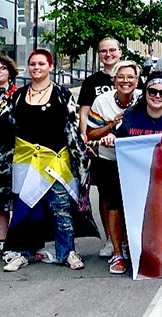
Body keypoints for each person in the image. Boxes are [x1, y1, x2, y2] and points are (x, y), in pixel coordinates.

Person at [3, 49, 94, 272]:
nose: (36, 68)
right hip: (25, 161)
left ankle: (67, 252)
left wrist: (80, 158)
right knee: (25, 208)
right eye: (32, 64)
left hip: (56, 160)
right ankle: (23, 253)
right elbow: (8, 127)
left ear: (50, 67)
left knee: (61, 207)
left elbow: (72, 129)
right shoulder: (17, 95)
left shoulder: (62, 94)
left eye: (41, 64)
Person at [101, 71, 162, 279]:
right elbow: (118, 136)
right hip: (133, 176)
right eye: (152, 91)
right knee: (114, 197)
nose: (157, 96)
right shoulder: (131, 115)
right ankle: (117, 252)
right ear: (146, 92)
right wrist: (111, 137)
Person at [87, 61, 142, 275]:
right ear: (114, 80)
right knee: (113, 203)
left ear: (137, 80)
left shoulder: (143, 96)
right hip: (109, 158)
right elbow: (90, 133)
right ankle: (117, 251)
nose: (125, 81)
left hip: (137, 159)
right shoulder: (102, 101)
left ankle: (130, 244)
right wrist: (110, 126)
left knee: (135, 203)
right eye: (121, 76)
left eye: (130, 77)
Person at [77, 37, 122, 259]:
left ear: (120, 52)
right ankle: (110, 240)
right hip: (101, 146)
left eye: (112, 50)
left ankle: (126, 239)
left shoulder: (133, 75)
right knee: (106, 193)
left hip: (128, 146)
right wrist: (86, 141)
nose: (108, 54)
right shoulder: (92, 81)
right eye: (104, 51)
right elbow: (83, 113)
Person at [0, 55, 18, 254]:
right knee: (1, 202)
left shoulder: (19, 95)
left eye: (3, 68)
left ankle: (23, 242)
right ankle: (3, 241)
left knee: (21, 199)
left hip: (17, 153)